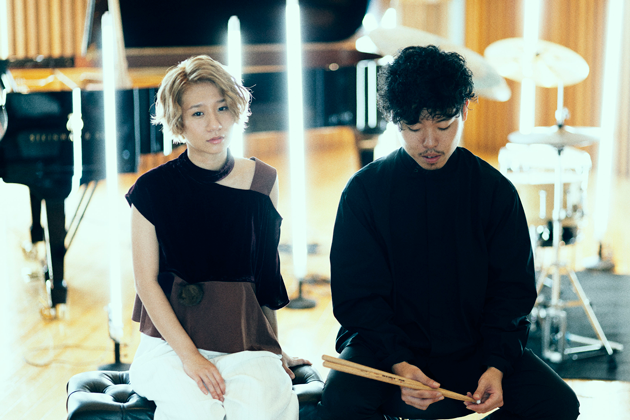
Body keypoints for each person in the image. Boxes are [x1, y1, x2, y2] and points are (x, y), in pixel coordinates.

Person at [314, 45, 580, 419]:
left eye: (443, 126)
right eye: (413, 128)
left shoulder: (494, 193)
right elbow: (357, 297)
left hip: (473, 351)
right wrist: (398, 362)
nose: (429, 142)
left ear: (464, 110)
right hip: (385, 351)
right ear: (395, 120)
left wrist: (496, 365)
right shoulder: (364, 192)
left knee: (557, 403)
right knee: (340, 400)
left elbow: (511, 292)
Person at [126, 55, 309, 420]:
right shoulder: (151, 190)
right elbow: (146, 283)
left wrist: (274, 348)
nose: (215, 123)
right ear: (178, 121)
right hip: (169, 345)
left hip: (244, 339)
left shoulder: (262, 182)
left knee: (262, 411)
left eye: (222, 107)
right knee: (195, 411)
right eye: (198, 113)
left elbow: (265, 278)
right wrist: (190, 357)